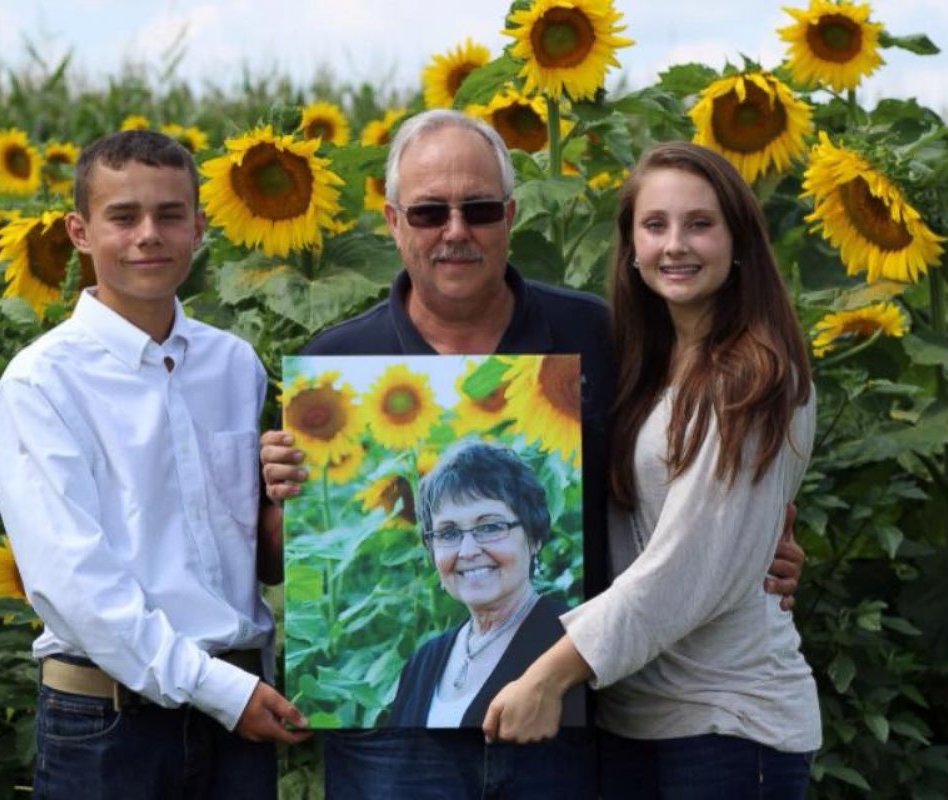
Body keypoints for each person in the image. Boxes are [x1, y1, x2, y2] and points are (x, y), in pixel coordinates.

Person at [260, 110, 805, 799]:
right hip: (393, 747)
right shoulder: (334, 366)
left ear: (511, 215)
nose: (456, 231)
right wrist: (281, 500)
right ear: (394, 222)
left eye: (480, 209)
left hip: (566, 728)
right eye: (430, 213)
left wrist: (761, 545)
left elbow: (682, 462)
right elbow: (276, 562)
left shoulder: (601, 335)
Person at [483, 141, 820, 798]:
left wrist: (546, 676)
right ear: (631, 247)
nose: (676, 245)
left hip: (726, 722)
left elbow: (681, 570)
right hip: (639, 720)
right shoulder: (656, 365)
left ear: (739, 239)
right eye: (655, 225)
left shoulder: (751, 380)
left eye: (700, 223)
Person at [0, 129, 307, 800]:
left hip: (237, 716)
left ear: (199, 225)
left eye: (169, 215)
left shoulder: (234, 365)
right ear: (79, 231)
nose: (148, 235)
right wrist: (219, 688)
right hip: (109, 722)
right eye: (123, 216)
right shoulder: (42, 382)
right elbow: (76, 582)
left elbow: (251, 552)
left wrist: (288, 496)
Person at [388, 441, 585, 729]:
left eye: (490, 527)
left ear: (534, 537)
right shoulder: (422, 662)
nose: (467, 550)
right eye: (449, 532)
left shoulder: (574, 645)